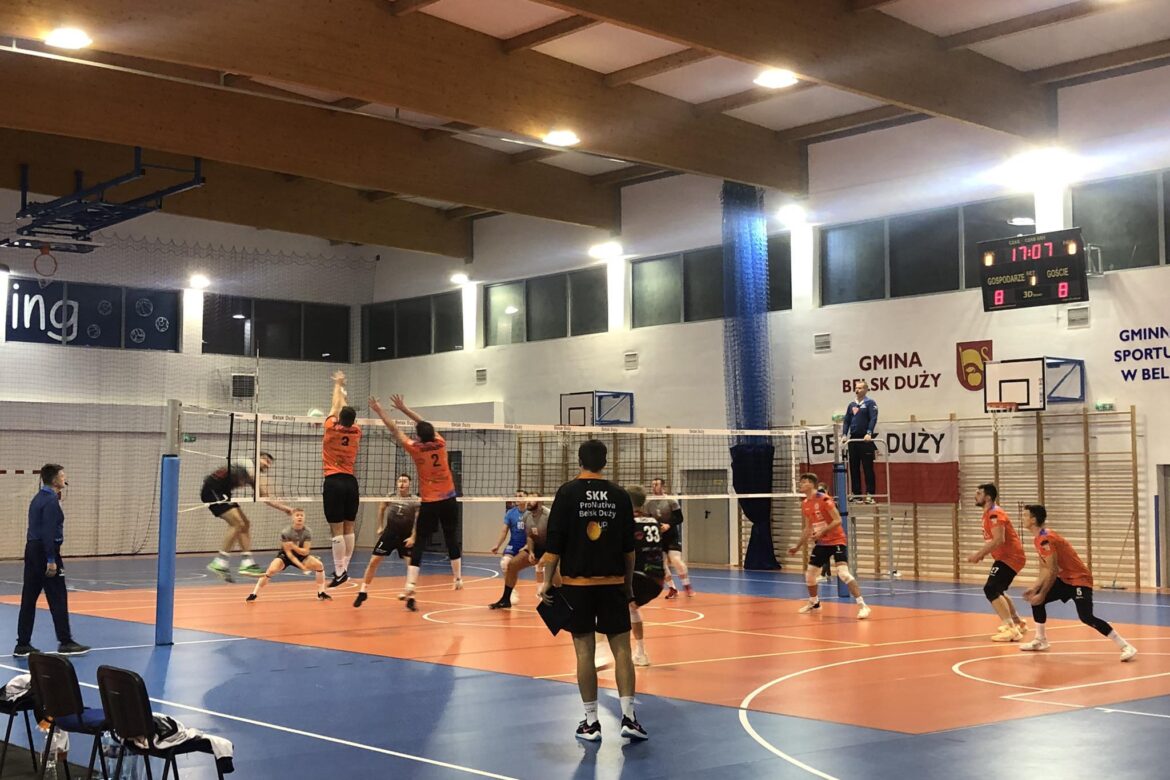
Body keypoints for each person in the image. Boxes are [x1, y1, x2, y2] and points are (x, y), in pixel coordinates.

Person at [539, 439, 647, 742]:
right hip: (613, 583)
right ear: (605, 462)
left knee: (584, 651)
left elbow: (554, 544)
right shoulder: (619, 495)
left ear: (579, 461)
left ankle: (591, 722)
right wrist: (627, 583)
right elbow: (629, 550)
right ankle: (630, 718)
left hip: (577, 586)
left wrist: (547, 581)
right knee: (622, 650)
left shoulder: (567, 493)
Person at [368, 395, 463, 605]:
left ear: (419, 437)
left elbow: (394, 429)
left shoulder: (415, 448)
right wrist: (405, 409)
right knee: (451, 537)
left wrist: (380, 410)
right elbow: (423, 423)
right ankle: (457, 578)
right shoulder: (440, 443)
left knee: (419, 542)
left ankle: (411, 584)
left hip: (430, 501)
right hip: (449, 499)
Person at [1019, 504, 1137, 662]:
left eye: (1025, 515)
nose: (1022, 518)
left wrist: (1042, 593)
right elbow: (1045, 568)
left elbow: (1052, 570)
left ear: (1033, 520)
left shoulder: (1046, 539)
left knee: (1086, 617)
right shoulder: (1038, 538)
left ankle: (1126, 646)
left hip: (1079, 580)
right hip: (1065, 579)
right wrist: (1035, 588)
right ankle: (1040, 640)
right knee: (1036, 601)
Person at [14, 464, 89, 657]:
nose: (65, 478)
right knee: (58, 597)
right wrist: (51, 559)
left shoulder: (37, 498)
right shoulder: (50, 501)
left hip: (32, 550)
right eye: (62, 475)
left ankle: (22, 644)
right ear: (55, 479)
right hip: (45, 551)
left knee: (29, 598)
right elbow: (48, 531)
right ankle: (66, 641)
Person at [203, 451, 297, 581]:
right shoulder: (246, 464)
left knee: (245, 524)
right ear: (257, 458)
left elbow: (264, 497)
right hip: (212, 490)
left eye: (269, 463)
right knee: (237, 523)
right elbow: (243, 476)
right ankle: (219, 562)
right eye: (265, 460)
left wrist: (286, 508)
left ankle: (247, 563)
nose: (267, 465)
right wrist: (260, 482)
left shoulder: (252, 474)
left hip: (223, 493)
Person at [788, 473, 870, 619]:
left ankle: (863, 606)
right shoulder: (805, 503)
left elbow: (837, 520)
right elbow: (808, 528)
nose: (801, 485)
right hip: (822, 543)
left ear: (811, 484)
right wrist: (797, 547)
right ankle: (814, 602)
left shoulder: (824, 499)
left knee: (843, 574)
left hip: (837, 540)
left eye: (804, 482)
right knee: (810, 575)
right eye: (800, 482)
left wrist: (821, 532)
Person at [967, 483, 1028, 642]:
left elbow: (999, 539)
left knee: (991, 589)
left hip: (1011, 557)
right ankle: (1017, 622)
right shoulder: (988, 513)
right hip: (1005, 557)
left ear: (987, 497)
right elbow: (993, 541)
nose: (975, 496)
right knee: (997, 590)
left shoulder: (995, 514)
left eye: (979, 493)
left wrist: (979, 554)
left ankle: (1011, 630)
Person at [354, 474, 420, 610]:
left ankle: (411, 599)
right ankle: (363, 592)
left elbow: (419, 521)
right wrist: (380, 526)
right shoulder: (390, 496)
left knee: (411, 566)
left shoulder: (415, 500)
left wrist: (413, 537)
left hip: (406, 536)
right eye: (400, 481)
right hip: (390, 534)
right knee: (373, 561)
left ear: (409, 484)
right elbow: (382, 507)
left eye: (405, 481)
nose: (402, 484)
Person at [322, 370, 363, 587]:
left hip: (333, 481)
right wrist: (343, 390)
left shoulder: (330, 428)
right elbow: (343, 410)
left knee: (336, 530)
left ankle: (339, 572)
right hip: (350, 482)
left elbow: (335, 407)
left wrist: (338, 384)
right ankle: (344, 568)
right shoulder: (357, 431)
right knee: (349, 527)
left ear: (340, 418)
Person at [245, 509, 331, 602]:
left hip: (301, 556)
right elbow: (290, 555)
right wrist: (301, 566)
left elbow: (306, 552)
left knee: (319, 565)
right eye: (297, 515)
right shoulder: (286, 532)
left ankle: (321, 593)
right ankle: (254, 594)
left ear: (304, 518)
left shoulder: (307, 532)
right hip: (285, 556)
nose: (299, 517)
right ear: (293, 518)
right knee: (271, 570)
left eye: (301, 515)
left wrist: (294, 546)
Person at [488, 495, 552, 610]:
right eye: (528, 499)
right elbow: (530, 536)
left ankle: (566, 602)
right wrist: (530, 551)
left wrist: (547, 555)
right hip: (536, 547)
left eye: (531, 499)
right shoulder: (527, 515)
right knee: (512, 564)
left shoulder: (548, 515)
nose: (528, 501)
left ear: (540, 502)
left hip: (550, 549)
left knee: (556, 578)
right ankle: (505, 600)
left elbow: (555, 538)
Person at [628, 485, 667, 667]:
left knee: (604, 604)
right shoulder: (653, 521)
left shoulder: (627, 522)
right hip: (657, 580)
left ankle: (605, 650)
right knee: (631, 608)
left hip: (639, 577)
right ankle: (641, 653)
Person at [645, 478, 692, 599]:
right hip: (658, 536)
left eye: (656, 484)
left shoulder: (671, 500)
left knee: (676, 560)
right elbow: (648, 519)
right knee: (661, 565)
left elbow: (679, 518)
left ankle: (687, 585)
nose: (654, 486)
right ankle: (672, 588)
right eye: (652, 484)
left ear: (663, 486)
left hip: (671, 535)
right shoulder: (648, 503)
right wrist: (656, 525)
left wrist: (668, 525)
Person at [842, 379, 878, 504]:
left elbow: (873, 419)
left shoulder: (870, 403)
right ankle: (856, 494)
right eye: (856, 388)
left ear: (866, 389)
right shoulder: (852, 404)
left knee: (868, 468)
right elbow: (847, 420)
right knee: (854, 467)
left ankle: (870, 494)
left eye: (860, 388)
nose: (857, 390)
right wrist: (844, 435)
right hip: (853, 439)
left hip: (865, 439)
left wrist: (869, 433)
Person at [490, 490, 528, 605]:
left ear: (527, 498)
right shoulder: (511, 513)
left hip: (529, 543)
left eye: (520, 496)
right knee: (505, 563)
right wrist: (497, 545)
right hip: (514, 544)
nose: (517, 498)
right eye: (516, 496)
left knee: (541, 566)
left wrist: (528, 545)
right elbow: (504, 531)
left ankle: (541, 591)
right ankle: (511, 591)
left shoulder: (531, 512)